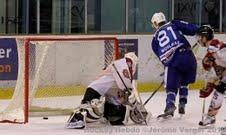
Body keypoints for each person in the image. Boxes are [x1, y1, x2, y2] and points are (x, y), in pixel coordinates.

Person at [65, 52, 149, 129]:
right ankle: (76, 118)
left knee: (117, 106)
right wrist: (134, 102)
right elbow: (125, 89)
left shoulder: (119, 67)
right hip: (95, 91)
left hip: (103, 92)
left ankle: (110, 117)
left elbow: (123, 92)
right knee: (95, 108)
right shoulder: (123, 64)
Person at [151, 12, 199, 118]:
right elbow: (192, 29)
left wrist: (167, 69)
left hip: (173, 61)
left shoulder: (154, 40)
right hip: (188, 56)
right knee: (184, 82)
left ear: (155, 23)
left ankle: (170, 105)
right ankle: (182, 102)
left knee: (171, 87)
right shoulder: (174, 24)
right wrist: (200, 30)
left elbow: (162, 57)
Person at [196, 25, 226, 126]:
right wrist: (211, 85)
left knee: (222, 89)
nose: (198, 39)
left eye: (200, 37)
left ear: (205, 37)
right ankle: (210, 117)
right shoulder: (212, 52)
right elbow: (219, 72)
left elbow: (216, 48)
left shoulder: (214, 44)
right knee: (220, 91)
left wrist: (210, 55)